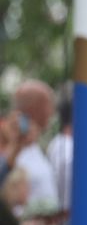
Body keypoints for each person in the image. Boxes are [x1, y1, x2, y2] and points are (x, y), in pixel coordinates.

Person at [8, 80, 58, 213]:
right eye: (49, 105)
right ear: (35, 108)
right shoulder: (12, 144)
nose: (52, 113)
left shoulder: (33, 146)